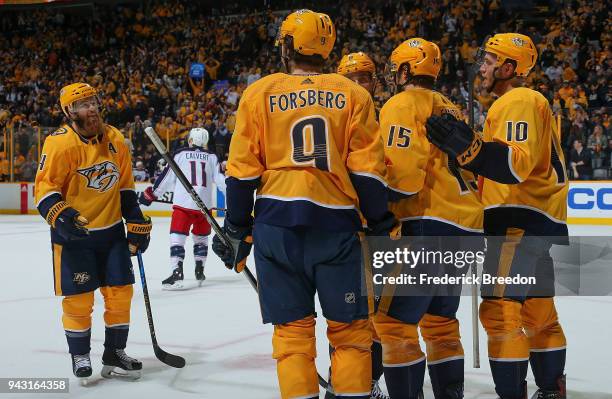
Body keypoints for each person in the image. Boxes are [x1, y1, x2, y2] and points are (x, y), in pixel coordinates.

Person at [212, 9, 398, 399]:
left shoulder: (260, 91)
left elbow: (242, 173)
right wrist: (381, 221)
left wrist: (236, 228)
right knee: (350, 335)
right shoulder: (354, 94)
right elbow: (368, 174)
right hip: (337, 230)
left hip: (276, 228)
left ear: (288, 46)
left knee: (292, 335)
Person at [425, 34, 568, 399]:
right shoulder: (523, 103)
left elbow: (514, 166)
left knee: (500, 311)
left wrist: (468, 148)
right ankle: (551, 389)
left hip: (516, 222)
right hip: (535, 220)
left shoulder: (518, 99)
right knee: (539, 315)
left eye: (489, 61)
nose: (482, 67)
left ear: (509, 67)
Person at [374, 38, 483, 399]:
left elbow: (403, 178)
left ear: (406, 70)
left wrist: (373, 203)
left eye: (395, 68)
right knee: (440, 324)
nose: (392, 74)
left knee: (393, 323)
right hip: (466, 228)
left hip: (425, 224)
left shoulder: (402, 103)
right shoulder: (451, 107)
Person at [34, 82, 152, 381]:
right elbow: (44, 190)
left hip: (111, 233)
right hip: (74, 237)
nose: (92, 108)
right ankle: (80, 354)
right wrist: (62, 216)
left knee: (121, 294)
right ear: (68, 112)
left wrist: (135, 221)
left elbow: (125, 187)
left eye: (94, 101)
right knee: (79, 299)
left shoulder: (115, 139)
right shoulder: (59, 143)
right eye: (83, 104)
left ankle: (115, 351)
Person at [334, 51, 387, 399]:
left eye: (365, 77)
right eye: (352, 78)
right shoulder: (330, 120)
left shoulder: (385, 118)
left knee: (379, 316)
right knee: (346, 315)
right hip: (343, 228)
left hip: (379, 229)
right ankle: (348, 378)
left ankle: (369, 379)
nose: (359, 84)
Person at [139, 127, 225, 289]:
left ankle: (177, 272)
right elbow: (221, 181)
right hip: (204, 207)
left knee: (177, 238)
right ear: (205, 141)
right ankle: (200, 268)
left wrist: (152, 195)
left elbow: (167, 177)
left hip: (184, 204)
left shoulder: (180, 154)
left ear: (190, 139)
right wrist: (235, 195)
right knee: (201, 238)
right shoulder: (212, 156)